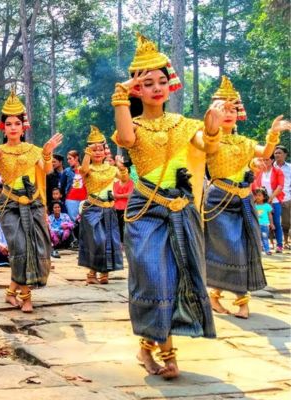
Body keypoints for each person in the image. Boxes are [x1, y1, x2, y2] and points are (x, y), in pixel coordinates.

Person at [112, 33, 224, 379]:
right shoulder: (134, 125)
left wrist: (213, 129)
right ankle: (158, 349)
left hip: (180, 209)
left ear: (170, 85)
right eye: (147, 83)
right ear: (137, 91)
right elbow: (127, 139)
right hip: (145, 211)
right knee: (152, 280)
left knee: (176, 281)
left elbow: (208, 146)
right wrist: (119, 95)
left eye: (162, 81)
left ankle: (157, 351)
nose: (157, 88)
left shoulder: (185, 124)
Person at [204, 77, 289, 318]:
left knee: (247, 247)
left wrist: (272, 134)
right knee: (231, 249)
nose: (229, 114)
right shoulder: (209, 138)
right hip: (218, 200)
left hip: (243, 199)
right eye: (223, 109)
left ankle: (223, 298)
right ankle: (237, 300)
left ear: (239, 112)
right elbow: (205, 150)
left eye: (233, 109)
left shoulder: (244, 141)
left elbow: (264, 153)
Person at [0, 88, 62, 313]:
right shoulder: (0, 150)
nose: (13, 128)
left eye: (17, 123)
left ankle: (12, 293)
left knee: (35, 249)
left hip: (33, 203)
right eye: (8, 124)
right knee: (18, 247)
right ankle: (25, 297)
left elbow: (46, 170)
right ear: (3, 128)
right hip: (9, 204)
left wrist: (47, 152)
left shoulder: (33, 150)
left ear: (23, 126)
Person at [79, 126, 125, 284]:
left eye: (100, 149)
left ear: (105, 151)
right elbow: (83, 170)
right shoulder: (88, 169)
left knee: (109, 241)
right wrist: (87, 154)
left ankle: (101, 273)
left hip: (109, 209)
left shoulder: (111, 169)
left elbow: (124, 179)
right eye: (94, 149)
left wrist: (121, 166)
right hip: (93, 209)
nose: (98, 152)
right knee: (98, 240)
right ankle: (92, 272)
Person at [252, 155, 285, 252]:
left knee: (276, 223)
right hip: (261, 202)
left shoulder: (277, 171)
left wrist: (271, 198)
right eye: (263, 160)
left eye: (267, 160)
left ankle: (279, 245)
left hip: (274, 201)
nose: (264, 162)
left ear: (272, 160)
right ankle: (265, 245)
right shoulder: (259, 172)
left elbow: (280, 186)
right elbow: (256, 186)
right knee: (262, 222)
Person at [60, 150, 87, 225]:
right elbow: (62, 186)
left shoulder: (85, 170)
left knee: (85, 221)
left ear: (76, 158)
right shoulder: (66, 171)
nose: (68, 161)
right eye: (67, 159)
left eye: (70, 158)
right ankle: (74, 236)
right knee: (73, 222)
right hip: (71, 199)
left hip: (84, 199)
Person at [273, 146, 291, 249]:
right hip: (273, 198)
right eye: (275, 153)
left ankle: (286, 241)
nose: (277, 155)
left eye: (279, 153)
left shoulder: (290, 168)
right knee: (271, 221)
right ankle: (273, 243)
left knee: (286, 222)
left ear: (285, 155)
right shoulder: (270, 167)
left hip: (286, 198)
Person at [113, 165, 134, 241]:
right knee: (117, 226)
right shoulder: (115, 183)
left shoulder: (131, 183)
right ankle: (119, 242)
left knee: (125, 226)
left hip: (126, 208)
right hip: (116, 208)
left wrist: (118, 196)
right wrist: (123, 195)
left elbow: (130, 195)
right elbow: (114, 195)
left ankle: (125, 242)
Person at [254, 188, 274, 256]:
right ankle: (258, 250)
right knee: (257, 238)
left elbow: (270, 215)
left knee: (265, 237)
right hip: (256, 225)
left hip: (265, 225)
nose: (257, 197)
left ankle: (267, 250)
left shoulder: (267, 206)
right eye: (256, 195)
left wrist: (271, 224)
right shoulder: (254, 206)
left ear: (264, 197)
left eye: (259, 195)